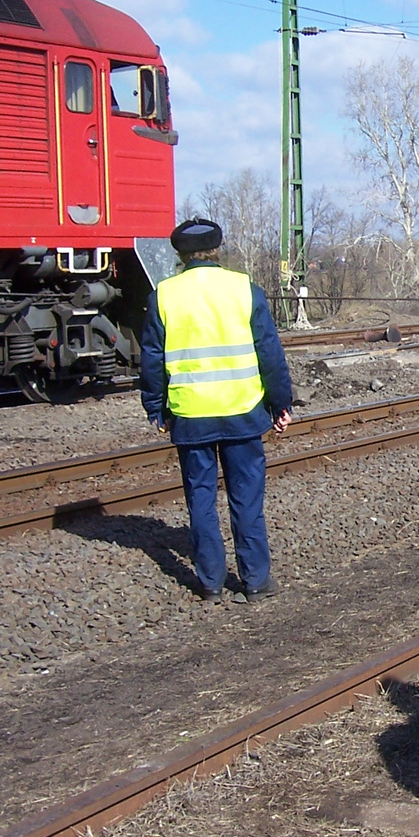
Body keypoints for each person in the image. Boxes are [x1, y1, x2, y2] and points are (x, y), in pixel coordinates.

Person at [139, 218, 294, 605]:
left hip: (190, 415)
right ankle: (256, 581)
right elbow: (269, 352)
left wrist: (155, 406)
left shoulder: (164, 295)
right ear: (217, 249)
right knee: (246, 499)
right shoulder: (244, 289)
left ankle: (209, 582)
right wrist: (280, 403)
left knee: (201, 499)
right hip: (242, 411)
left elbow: (152, 358)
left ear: (180, 254)